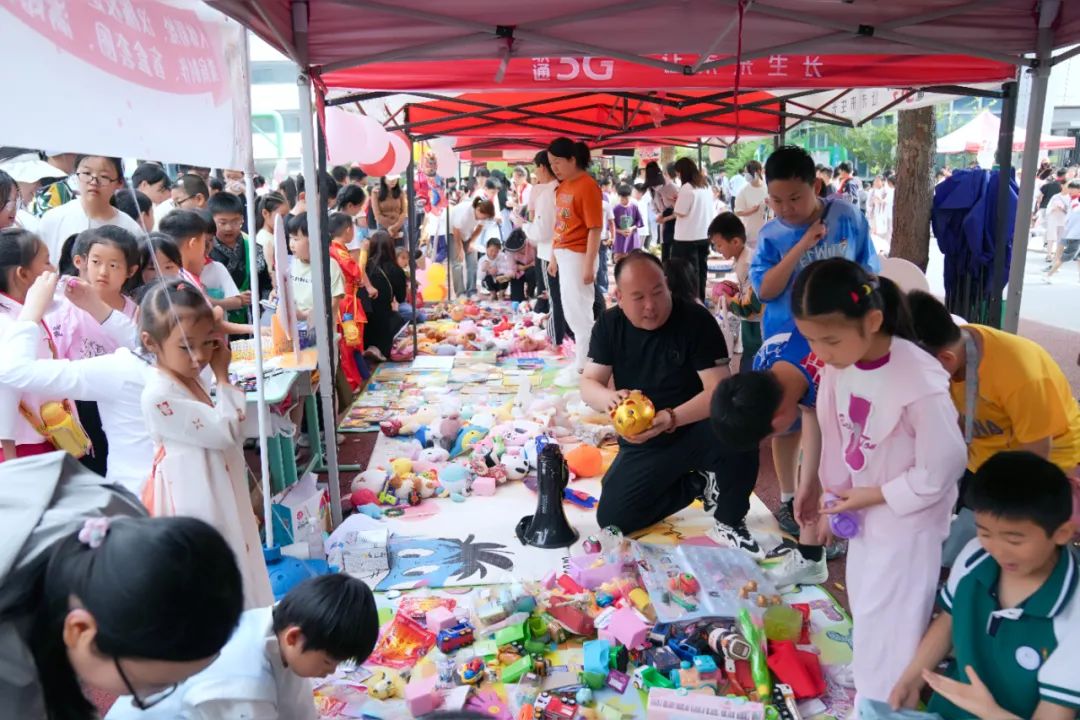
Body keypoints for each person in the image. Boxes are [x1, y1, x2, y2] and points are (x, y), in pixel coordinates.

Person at [792, 258, 967, 709]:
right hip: (865, 503)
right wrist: (830, 495)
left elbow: (944, 464)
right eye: (811, 339)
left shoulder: (919, 378)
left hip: (909, 516)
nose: (821, 352)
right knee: (868, 597)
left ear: (872, 321)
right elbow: (834, 434)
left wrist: (874, 495)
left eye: (829, 339)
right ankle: (873, 680)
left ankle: (885, 701)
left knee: (896, 611)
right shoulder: (838, 364)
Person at [0, 451, 244, 719]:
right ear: (80, 630)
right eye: (153, 687)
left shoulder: (129, 538)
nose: (166, 693)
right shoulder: (10, 646)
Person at [582, 251, 762, 555]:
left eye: (657, 292)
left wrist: (671, 417)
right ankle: (698, 485)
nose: (650, 306)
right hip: (645, 439)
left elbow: (718, 390)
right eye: (638, 298)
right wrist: (609, 399)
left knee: (742, 415)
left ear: (667, 284)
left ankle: (729, 519)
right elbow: (589, 384)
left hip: (697, 427)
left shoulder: (695, 320)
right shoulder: (610, 325)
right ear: (620, 298)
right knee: (613, 518)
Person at [888, 452, 1079, 720]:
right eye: (985, 532)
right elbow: (950, 619)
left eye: (1014, 540)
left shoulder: (1074, 612)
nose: (998, 551)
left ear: (1061, 533)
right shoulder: (976, 556)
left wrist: (989, 712)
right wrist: (911, 681)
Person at [907, 290, 1080, 565]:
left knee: (1022, 552)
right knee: (958, 555)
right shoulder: (949, 350)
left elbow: (1035, 456)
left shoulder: (1020, 372)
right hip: (986, 459)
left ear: (946, 360)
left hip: (1045, 462)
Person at [139, 278, 274, 610]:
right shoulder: (159, 395)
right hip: (196, 493)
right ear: (151, 342)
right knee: (217, 572)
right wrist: (223, 377)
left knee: (239, 555)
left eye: (206, 343)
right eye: (186, 347)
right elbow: (226, 430)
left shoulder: (185, 377)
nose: (199, 357)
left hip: (216, 483)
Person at [106, 574, 379, 720]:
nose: (329, 673)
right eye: (328, 662)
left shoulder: (280, 622)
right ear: (294, 638)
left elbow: (297, 705)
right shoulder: (246, 687)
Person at [0, 271, 155, 495]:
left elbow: (15, 371)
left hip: (136, 486)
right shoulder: (10, 320)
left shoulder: (125, 367)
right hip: (26, 444)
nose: (52, 271)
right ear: (22, 274)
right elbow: (9, 380)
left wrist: (30, 314)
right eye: (44, 263)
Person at [710, 326, 829, 587]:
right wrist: (807, 483)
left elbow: (838, 440)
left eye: (767, 437)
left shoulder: (832, 376)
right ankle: (810, 557)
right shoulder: (766, 360)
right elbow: (811, 411)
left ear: (777, 420)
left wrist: (832, 505)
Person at [751, 145, 879, 342]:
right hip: (785, 340)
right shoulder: (770, 235)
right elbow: (765, 292)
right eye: (776, 200)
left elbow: (869, 275)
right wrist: (803, 244)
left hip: (840, 337)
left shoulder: (847, 217)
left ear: (816, 186)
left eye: (794, 198)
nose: (785, 208)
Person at [45, 227, 141, 477]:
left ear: (131, 271)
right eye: (96, 262)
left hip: (115, 402)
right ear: (82, 262)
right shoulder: (63, 304)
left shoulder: (135, 314)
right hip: (74, 403)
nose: (102, 272)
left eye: (114, 265)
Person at [547, 137, 603, 388]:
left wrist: (589, 264)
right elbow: (559, 225)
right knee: (571, 311)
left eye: (558, 162)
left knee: (580, 313)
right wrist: (553, 256)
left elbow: (594, 228)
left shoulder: (587, 186)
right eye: (551, 163)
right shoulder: (563, 186)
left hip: (580, 255)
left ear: (572, 159)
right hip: (564, 254)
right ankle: (582, 362)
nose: (554, 168)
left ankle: (586, 366)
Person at [38, 156, 144, 265]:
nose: (94, 181)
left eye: (104, 176)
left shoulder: (130, 229)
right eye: (87, 173)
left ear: (119, 183)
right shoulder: (52, 219)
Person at [328, 211, 377, 390]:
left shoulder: (337, 250)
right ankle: (352, 382)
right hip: (346, 305)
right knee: (350, 345)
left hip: (347, 302)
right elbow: (357, 272)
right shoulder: (338, 252)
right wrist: (363, 252)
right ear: (348, 230)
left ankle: (357, 378)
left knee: (352, 344)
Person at [709, 212, 762, 373]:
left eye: (719, 245)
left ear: (736, 241)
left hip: (757, 323)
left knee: (754, 359)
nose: (717, 250)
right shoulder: (743, 259)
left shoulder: (748, 264)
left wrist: (728, 300)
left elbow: (753, 303)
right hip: (752, 321)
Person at [524, 151, 567, 346]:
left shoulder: (548, 192)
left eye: (536, 168)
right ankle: (561, 335)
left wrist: (523, 226)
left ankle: (555, 339)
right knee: (561, 297)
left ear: (542, 167)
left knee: (555, 298)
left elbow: (541, 232)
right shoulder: (560, 188)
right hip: (561, 251)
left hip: (551, 252)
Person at [208, 192, 266, 319]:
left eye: (235, 222)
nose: (229, 228)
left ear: (242, 219)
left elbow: (264, 283)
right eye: (222, 223)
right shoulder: (205, 249)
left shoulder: (253, 247)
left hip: (250, 316)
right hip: (216, 316)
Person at [286, 213, 343, 324]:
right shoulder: (292, 262)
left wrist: (303, 315)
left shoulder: (329, 266)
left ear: (314, 241)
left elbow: (331, 305)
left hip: (319, 331)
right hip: (293, 327)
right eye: (290, 238)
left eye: (296, 239)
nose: (291, 244)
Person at [671, 157, 712, 303]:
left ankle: (691, 302)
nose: (678, 176)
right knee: (701, 271)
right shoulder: (705, 185)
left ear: (682, 172)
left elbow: (680, 212)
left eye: (678, 173)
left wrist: (675, 203)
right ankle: (700, 299)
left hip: (686, 237)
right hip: (703, 234)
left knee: (688, 273)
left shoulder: (687, 188)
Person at [364, 230, 407, 361]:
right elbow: (401, 298)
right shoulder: (396, 270)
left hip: (364, 319)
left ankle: (369, 347)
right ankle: (378, 349)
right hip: (384, 321)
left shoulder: (364, 267)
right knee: (400, 316)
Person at [450, 198, 495, 297]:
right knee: (457, 263)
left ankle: (472, 291)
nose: (484, 219)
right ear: (478, 209)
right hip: (452, 233)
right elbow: (455, 229)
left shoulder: (482, 216)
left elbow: (479, 227)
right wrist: (460, 248)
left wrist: (472, 242)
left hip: (467, 234)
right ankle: (460, 293)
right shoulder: (464, 211)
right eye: (484, 217)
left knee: (472, 262)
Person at [1045, 180, 1080, 283]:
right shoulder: (1074, 201)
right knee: (1066, 256)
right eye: (1070, 188)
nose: (1070, 190)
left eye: (1072, 189)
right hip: (1074, 234)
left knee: (1076, 257)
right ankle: (1049, 275)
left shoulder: (1075, 200)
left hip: (1073, 232)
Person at [645, 161, 679, 262]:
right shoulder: (652, 190)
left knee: (674, 256)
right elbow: (655, 208)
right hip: (664, 226)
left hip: (675, 225)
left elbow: (680, 210)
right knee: (665, 254)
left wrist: (665, 218)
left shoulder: (672, 187)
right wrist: (660, 216)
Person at [254, 191, 289, 280]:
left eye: (287, 216)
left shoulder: (273, 236)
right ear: (265, 213)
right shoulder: (264, 240)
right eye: (282, 216)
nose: (285, 220)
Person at [733, 160, 767, 248]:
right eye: (745, 172)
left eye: (748, 172)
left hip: (766, 233)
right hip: (750, 234)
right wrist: (751, 211)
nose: (746, 175)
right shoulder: (743, 191)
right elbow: (737, 212)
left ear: (758, 172)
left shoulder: (767, 188)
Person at [1043, 172, 1071, 266]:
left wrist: (1063, 209)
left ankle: (1057, 256)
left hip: (1063, 220)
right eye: (1065, 185)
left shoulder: (1070, 198)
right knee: (1051, 237)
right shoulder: (1056, 196)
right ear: (1061, 186)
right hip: (1053, 218)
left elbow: (1071, 210)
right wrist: (1053, 208)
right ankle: (1049, 255)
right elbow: (1049, 207)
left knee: (1061, 239)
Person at [612, 183, 644, 263]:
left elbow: (639, 221)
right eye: (622, 199)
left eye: (626, 198)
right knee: (619, 261)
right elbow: (611, 226)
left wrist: (632, 228)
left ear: (630, 196)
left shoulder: (634, 207)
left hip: (632, 239)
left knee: (633, 261)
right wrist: (621, 231)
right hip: (620, 240)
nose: (624, 201)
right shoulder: (616, 209)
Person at [503, 228, 537, 302]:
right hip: (518, 271)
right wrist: (511, 273)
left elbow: (537, 262)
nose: (517, 252)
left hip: (532, 269)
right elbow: (511, 266)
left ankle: (530, 293)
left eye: (519, 249)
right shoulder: (510, 250)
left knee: (532, 272)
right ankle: (519, 299)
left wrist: (525, 267)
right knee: (516, 299)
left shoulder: (533, 244)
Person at [372, 175, 407, 243]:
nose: (393, 181)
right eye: (390, 178)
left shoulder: (401, 192)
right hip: (383, 228)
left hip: (399, 227)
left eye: (395, 178)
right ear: (384, 178)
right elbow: (377, 215)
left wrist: (395, 227)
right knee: (385, 252)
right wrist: (390, 227)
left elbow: (404, 212)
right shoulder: (376, 192)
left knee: (401, 251)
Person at [632, 182, 653, 250]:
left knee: (636, 251)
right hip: (640, 230)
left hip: (640, 231)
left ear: (640, 193)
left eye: (634, 191)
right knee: (637, 250)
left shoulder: (637, 202)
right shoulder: (638, 201)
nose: (632, 193)